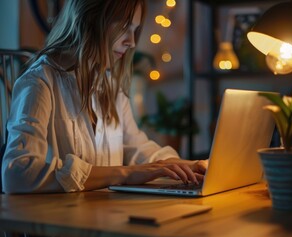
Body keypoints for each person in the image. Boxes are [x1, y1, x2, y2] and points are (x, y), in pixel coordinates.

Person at [1, 0, 207, 194]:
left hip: (104, 215)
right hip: (61, 225)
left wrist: (190, 166)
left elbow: (137, 147)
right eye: (125, 27)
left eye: (135, 31)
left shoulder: (110, 86)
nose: (132, 42)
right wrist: (124, 174)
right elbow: (16, 173)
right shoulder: (40, 82)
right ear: (92, 19)